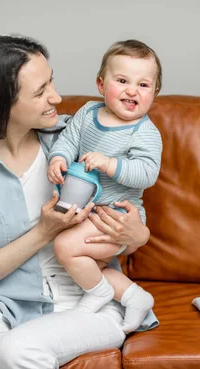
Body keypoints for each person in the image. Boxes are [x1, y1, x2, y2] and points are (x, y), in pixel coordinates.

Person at [0, 35, 157, 369]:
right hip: (5, 303)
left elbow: (119, 211)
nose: (56, 96)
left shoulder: (71, 142)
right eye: (40, 91)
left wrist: (136, 236)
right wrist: (44, 232)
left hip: (89, 302)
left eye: (50, 79)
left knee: (18, 351)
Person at [47, 40, 162, 333]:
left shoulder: (145, 132)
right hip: (88, 211)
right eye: (122, 80)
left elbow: (147, 173)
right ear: (101, 84)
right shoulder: (87, 113)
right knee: (89, 263)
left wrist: (110, 164)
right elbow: (68, 141)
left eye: (144, 84)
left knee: (64, 247)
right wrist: (58, 157)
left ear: (155, 92)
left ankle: (98, 293)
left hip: (117, 217)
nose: (132, 90)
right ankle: (136, 298)